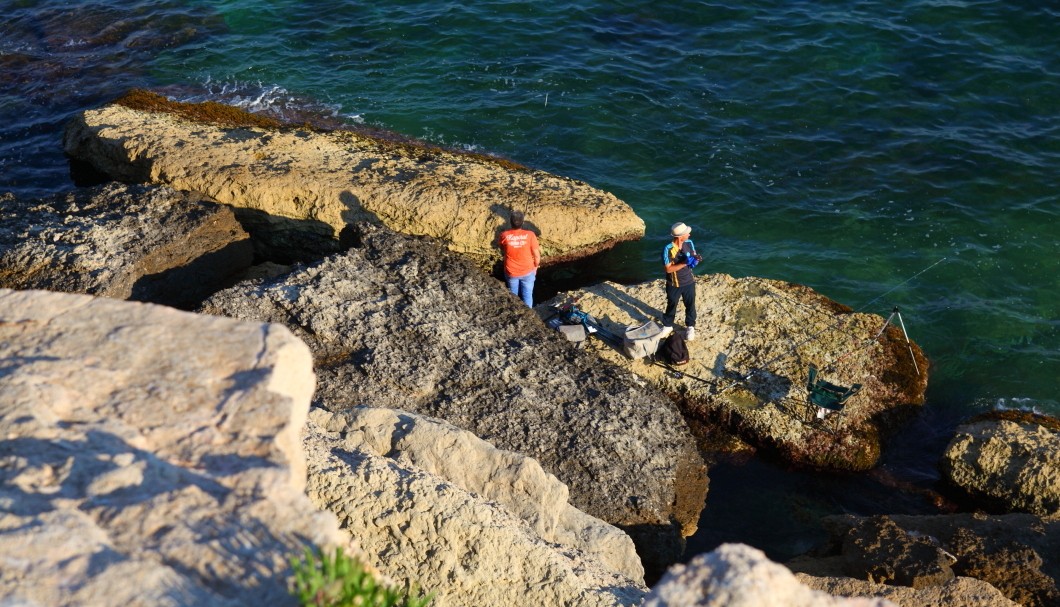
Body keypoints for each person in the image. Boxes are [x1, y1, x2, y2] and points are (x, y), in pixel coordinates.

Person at [661, 221, 701, 341]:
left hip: (688, 281)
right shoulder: (668, 249)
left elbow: (693, 256)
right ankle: (668, 326)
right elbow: (668, 269)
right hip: (674, 283)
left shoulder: (689, 243)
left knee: (690, 304)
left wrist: (695, 260)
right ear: (680, 236)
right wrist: (684, 263)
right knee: (672, 304)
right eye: (687, 233)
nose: (689, 235)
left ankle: (690, 326)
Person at [498, 210, 540, 307]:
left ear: (510, 221)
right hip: (528, 271)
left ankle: (515, 310)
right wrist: (535, 267)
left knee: (513, 296)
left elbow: (501, 247)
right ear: (522, 222)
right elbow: (537, 255)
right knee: (528, 296)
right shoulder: (530, 235)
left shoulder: (504, 235)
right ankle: (529, 315)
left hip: (511, 271)